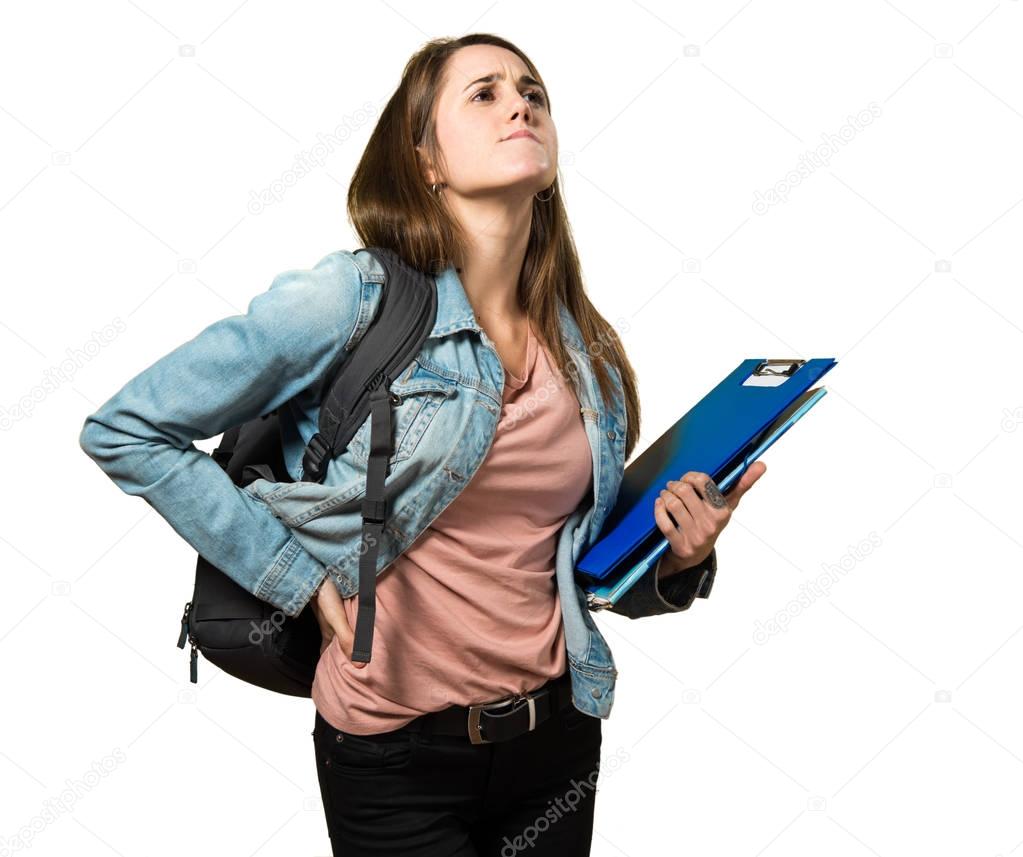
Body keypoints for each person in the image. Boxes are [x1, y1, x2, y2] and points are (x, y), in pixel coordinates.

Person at [79, 31, 764, 857]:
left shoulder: (584, 347)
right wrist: (291, 576)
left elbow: (574, 566)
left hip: (557, 738)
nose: (520, 103)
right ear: (425, 160)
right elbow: (126, 428)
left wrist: (679, 560)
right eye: (483, 93)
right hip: (392, 756)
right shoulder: (350, 299)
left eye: (532, 92)